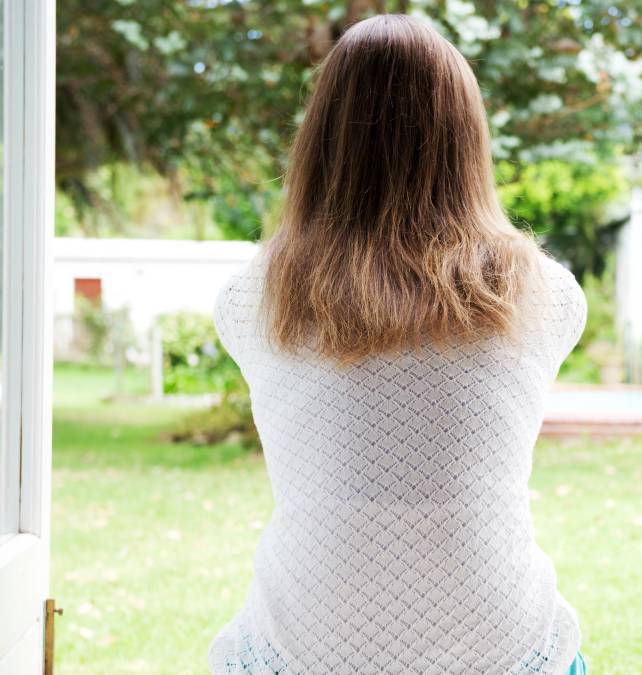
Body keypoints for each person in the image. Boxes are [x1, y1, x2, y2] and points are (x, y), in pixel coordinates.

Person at [207, 14, 586, 675]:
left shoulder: (255, 293)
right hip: (503, 647)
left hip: (303, 647)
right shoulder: (545, 293)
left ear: (323, 139)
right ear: (464, 139)